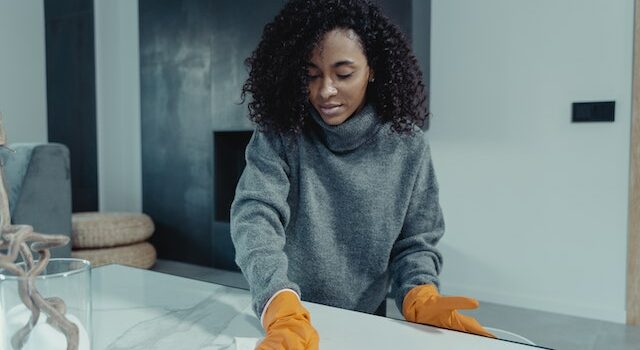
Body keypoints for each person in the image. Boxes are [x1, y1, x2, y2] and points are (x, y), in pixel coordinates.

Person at [231, 0, 494, 348]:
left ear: (372, 69)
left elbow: (416, 241)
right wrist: (277, 303)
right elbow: (255, 215)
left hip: (365, 323)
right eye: (311, 75)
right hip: (288, 316)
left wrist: (419, 292)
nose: (325, 91)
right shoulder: (280, 133)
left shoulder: (407, 146)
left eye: (343, 74)